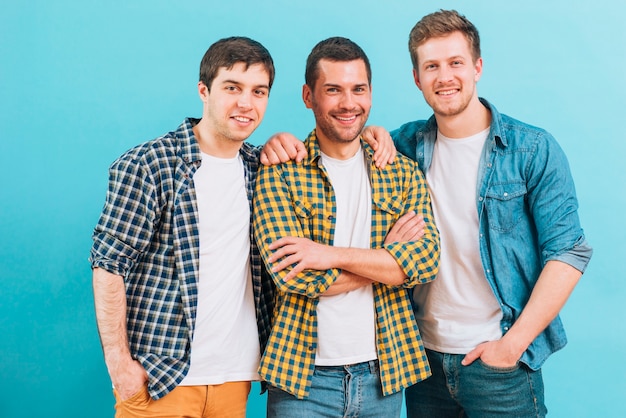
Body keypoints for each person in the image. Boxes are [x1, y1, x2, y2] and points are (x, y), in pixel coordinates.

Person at [363, 9, 593, 417]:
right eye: (431, 66)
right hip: (422, 361)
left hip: (499, 363)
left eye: (455, 63)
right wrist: (366, 132)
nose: (444, 77)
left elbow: (569, 252)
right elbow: (344, 151)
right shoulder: (404, 147)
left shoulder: (532, 150)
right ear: (417, 78)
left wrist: (513, 346)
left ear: (477, 67)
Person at [253, 37, 440, 418]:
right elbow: (293, 277)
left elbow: (424, 262)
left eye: (358, 89)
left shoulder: (401, 171)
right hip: (302, 379)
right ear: (309, 96)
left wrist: (329, 256)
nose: (348, 103)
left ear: (371, 93)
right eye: (333, 90)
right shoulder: (279, 173)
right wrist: (387, 261)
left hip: (384, 374)